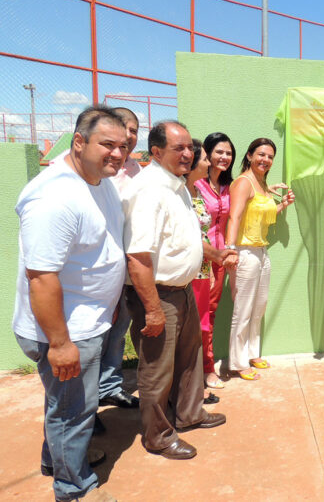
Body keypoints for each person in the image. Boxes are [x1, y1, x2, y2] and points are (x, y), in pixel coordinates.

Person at [13, 106, 127, 501]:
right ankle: (73, 487)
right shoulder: (55, 196)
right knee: (74, 414)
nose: (118, 153)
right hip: (66, 331)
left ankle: (57, 461)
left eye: (124, 146)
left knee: (66, 407)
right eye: (107, 144)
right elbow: (41, 278)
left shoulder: (98, 180)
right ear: (79, 142)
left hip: (87, 322)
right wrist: (60, 344)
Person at [123, 121, 229, 460]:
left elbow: (184, 237)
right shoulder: (148, 190)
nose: (189, 154)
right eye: (178, 148)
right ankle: (158, 436)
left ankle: (189, 413)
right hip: (158, 294)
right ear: (156, 152)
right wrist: (152, 309)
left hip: (181, 289)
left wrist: (214, 254)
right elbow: (138, 256)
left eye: (189, 148)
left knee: (189, 357)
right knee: (157, 368)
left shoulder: (177, 185)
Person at [224, 138, 295, 380]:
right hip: (244, 252)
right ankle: (237, 361)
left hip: (261, 252)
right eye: (261, 154)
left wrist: (282, 204)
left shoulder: (261, 183)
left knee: (259, 306)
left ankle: (252, 353)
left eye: (270, 156)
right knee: (242, 310)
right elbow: (234, 217)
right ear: (250, 155)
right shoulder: (243, 183)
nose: (266, 160)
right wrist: (230, 250)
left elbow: (263, 215)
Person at [96, 107, 141, 417]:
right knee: (95, 332)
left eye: (135, 129)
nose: (129, 134)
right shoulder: (98, 170)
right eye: (125, 127)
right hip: (98, 267)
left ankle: (109, 386)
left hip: (127, 265)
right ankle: (86, 402)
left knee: (120, 327)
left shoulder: (137, 170)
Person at [195, 132, 236, 389]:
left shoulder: (227, 187)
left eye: (229, 153)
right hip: (201, 259)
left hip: (221, 260)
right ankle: (205, 368)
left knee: (211, 312)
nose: (224, 157)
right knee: (201, 316)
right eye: (219, 152)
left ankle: (204, 365)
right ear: (207, 154)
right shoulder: (195, 184)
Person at [185, 139, 221, 405]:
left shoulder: (196, 190)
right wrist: (219, 255)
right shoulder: (180, 193)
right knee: (191, 330)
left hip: (201, 271)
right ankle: (190, 390)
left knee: (200, 327)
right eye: (206, 159)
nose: (209, 163)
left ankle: (194, 386)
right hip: (187, 273)